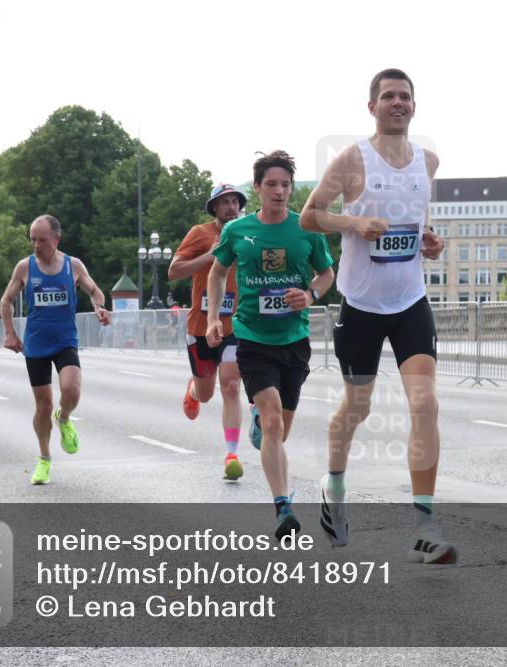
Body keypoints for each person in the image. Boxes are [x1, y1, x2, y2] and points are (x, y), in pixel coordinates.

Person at [300, 69, 456, 564]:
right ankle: (334, 488)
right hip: (361, 306)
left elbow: (415, 225)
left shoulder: (428, 162)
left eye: (405, 96)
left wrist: (430, 242)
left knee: (425, 404)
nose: (397, 103)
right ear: (372, 107)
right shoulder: (351, 159)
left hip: (410, 302)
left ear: (415, 106)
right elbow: (310, 215)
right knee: (358, 408)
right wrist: (353, 221)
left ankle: (424, 527)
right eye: (388, 96)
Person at [207, 151, 335, 540]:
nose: (279, 192)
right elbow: (217, 272)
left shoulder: (306, 229)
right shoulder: (237, 231)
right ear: (258, 188)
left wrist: (310, 294)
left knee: (281, 428)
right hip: (252, 337)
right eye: (272, 185)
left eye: (285, 185)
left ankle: (261, 425)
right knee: (275, 418)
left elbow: (327, 272)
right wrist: (215, 317)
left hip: (294, 339)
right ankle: (283, 509)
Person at [0, 215, 111, 485]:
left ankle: (65, 417)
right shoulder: (25, 268)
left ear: (56, 239)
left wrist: (99, 307)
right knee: (42, 404)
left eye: (42, 240)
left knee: (71, 390)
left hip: (65, 341)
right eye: (33, 239)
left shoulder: (73, 265)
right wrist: (10, 333)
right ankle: (44, 459)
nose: (37, 245)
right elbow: (6, 300)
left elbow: (95, 290)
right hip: (36, 344)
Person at [168, 183, 251, 481]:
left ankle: (231, 454)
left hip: (234, 325)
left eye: (235, 201)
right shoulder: (199, 233)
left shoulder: (248, 231)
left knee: (231, 385)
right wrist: (210, 256)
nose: (231, 207)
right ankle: (193, 388)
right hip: (201, 326)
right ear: (214, 207)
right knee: (206, 395)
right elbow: (174, 271)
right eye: (224, 202)